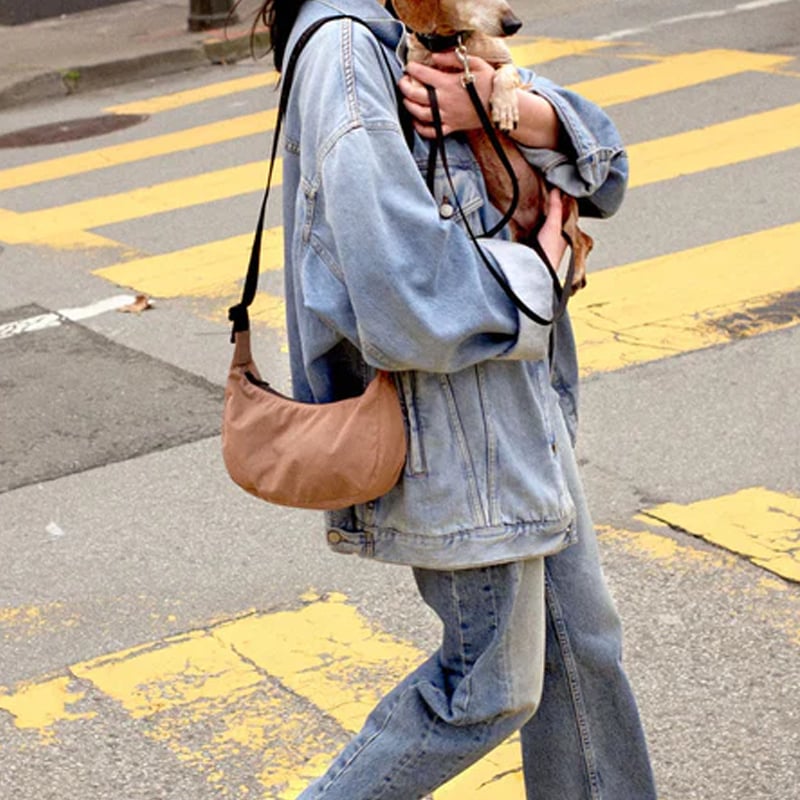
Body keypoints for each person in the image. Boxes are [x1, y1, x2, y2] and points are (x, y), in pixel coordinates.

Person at [252, 0, 657, 796]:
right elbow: (401, 292)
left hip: (515, 406)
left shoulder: (423, 22)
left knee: (581, 652)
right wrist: (538, 275)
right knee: (486, 690)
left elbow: (604, 169)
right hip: (454, 424)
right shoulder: (346, 50)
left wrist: (518, 113)